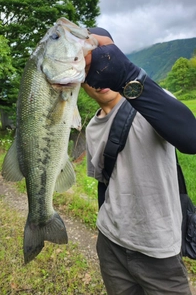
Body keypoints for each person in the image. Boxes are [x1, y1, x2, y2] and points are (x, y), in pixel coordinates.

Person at [81, 27, 196, 295]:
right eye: (91, 68)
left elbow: (191, 138)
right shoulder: (91, 128)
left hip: (159, 251)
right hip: (111, 244)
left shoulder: (151, 101)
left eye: (105, 62)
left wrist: (129, 76)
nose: (100, 73)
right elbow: (104, 184)